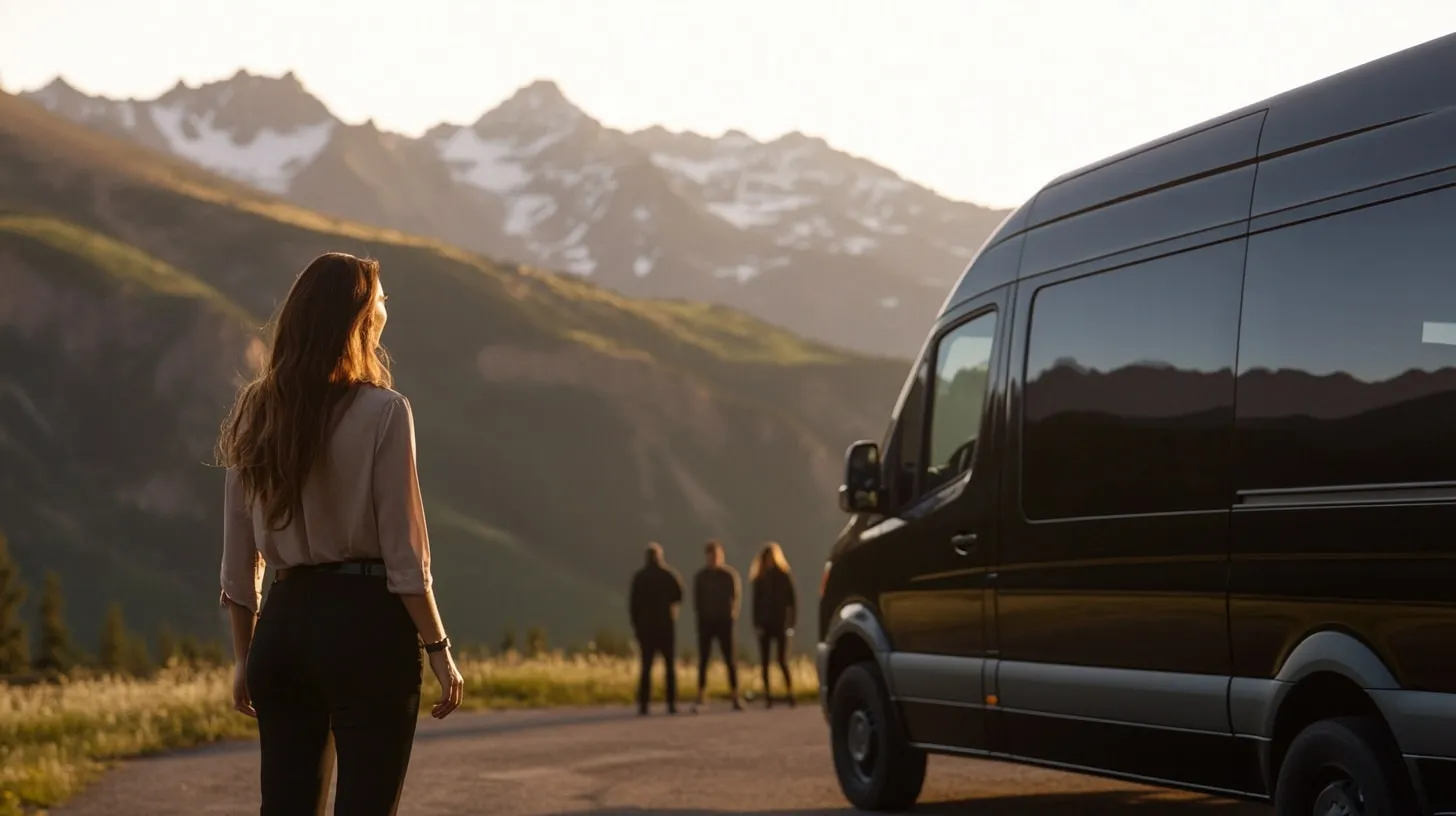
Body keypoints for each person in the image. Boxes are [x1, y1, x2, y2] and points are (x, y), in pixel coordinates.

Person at [216, 252, 464, 816]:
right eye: (379, 296)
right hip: (365, 627)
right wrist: (438, 648)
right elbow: (404, 555)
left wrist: (242, 656)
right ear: (356, 318)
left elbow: (238, 561)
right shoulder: (384, 412)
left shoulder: (255, 414)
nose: (385, 304)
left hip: (283, 627)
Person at [629, 542, 684, 715]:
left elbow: (633, 605)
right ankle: (671, 703)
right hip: (666, 626)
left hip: (646, 628)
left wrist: (637, 626)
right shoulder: (669, 575)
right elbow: (679, 595)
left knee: (646, 667)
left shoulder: (639, 577)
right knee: (669, 667)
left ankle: (644, 705)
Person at [691, 540, 743, 712]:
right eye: (710, 556)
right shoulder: (701, 577)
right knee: (703, 660)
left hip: (724, 622)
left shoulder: (729, 575)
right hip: (706, 622)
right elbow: (696, 600)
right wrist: (701, 617)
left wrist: (731, 615)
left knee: (730, 660)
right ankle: (700, 695)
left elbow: (735, 598)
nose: (713, 559)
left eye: (716, 556)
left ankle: (735, 695)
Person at [750, 541, 798, 709]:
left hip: (781, 623)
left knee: (782, 660)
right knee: (764, 662)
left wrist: (791, 622)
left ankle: (790, 693)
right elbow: (755, 604)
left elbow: (792, 601)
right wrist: (756, 623)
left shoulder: (783, 576)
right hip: (765, 624)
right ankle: (767, 696)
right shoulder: (759, 579)